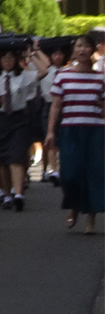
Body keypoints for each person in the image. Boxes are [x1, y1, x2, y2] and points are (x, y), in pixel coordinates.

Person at [49, 33, 103, 233]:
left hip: (95, 131)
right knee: (70, 173)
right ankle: (74, 205)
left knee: (93, 174)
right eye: (78, 46)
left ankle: (91, 219)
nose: (82, 50)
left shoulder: (100, 78)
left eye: (86, 47)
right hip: (70, 130)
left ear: (93, 50)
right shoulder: (63, 75)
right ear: (73, 50)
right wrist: (50, 132)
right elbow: (56, 106)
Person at [0, 42, 38, 212]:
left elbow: (42, 72)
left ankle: (18, 194)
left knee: (17, 156)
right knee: (2, 159)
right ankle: (6, 194)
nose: (8, 61)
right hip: (0, 119)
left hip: (19, 118)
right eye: (4, 58)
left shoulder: (23, 76)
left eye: (11, 58)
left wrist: (32, 54)